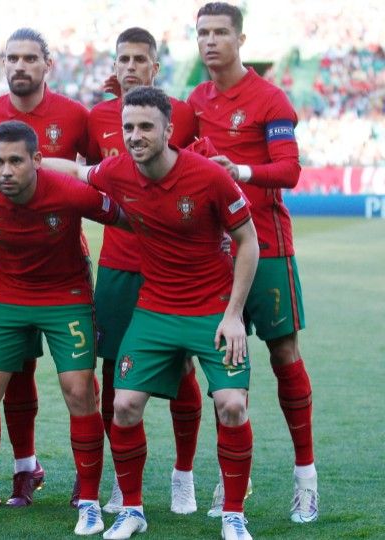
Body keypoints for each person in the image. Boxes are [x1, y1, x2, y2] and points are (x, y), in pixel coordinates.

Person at [57, 86, 258, 540]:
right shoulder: (118, 171)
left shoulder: (208, 177)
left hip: (212, 311)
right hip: (154, 309)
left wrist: (233, 315)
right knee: (124, 406)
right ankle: (132, 510)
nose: (134, 135)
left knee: (231, 406)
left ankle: (232, 514)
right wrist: (17, 164)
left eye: (145, 126)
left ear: (169, 130)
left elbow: (249, 241)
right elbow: (74, 170)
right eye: (128, 127)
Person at [0, 120, 119, 535]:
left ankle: (90, 504)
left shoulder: (71, 192)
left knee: (80, 391)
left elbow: (129, 218)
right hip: (9, 295)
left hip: (66, 295)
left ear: (38, 161)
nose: (5, 171)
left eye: (16, 161)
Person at [189, 3, 317, 524]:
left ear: (241, 39)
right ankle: (229, 475)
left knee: (283, 352)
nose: (212, 40)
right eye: (203, 33)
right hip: (216, 254)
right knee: (227, 366)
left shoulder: (269, 98)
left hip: (268, 245)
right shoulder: (194, 99)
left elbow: (290, 171)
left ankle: (305, 476)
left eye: (222, 32)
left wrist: (237, 168)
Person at [0, 26, 89, 507]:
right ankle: (25, 470)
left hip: (65, 266)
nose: (19, 66)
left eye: (28, 58)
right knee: (12, 374)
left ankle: (89, 478)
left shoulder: (74, 115)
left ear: (47, 64)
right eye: (11, 58)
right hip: (10, 266)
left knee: (78, 383)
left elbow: (100, 178)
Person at [86, 27, 202, 515]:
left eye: (140, 59)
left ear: (156, 67)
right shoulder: (96, 119)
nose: (130, 66)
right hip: (118, 264)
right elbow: (87, 180)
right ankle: (121, 478)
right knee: (114, 374)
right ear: (113, 68)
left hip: (174, 265)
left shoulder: (183, 114)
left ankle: (184, 475)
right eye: (123, 59)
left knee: (182, 370)